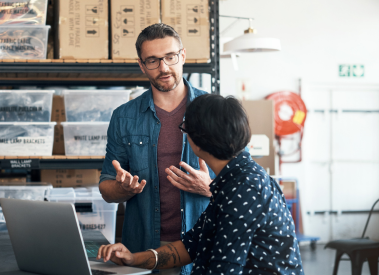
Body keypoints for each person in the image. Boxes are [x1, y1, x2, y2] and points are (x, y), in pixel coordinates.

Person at [97, 94, 305, 275]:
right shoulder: (233, 180)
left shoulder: (244, 189)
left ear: (197, 140)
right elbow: (191, 246)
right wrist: (133, 259)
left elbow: (224, 268)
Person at [99, 23, 215, 275]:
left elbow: (245, 180)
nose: (163, 67)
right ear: (141, 65)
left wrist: (210, 188)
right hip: (142, 247)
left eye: (170, 57)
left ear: (182, 55)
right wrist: (122, 188)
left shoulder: (214, 110)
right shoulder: (124, 117)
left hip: (203, 244)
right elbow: (107, 189)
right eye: (152, 60)